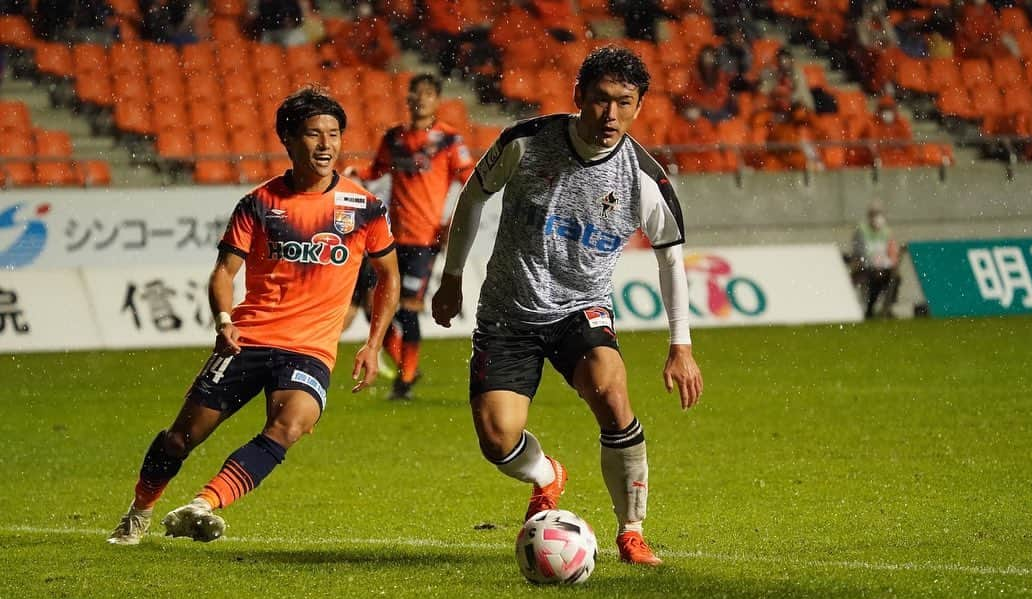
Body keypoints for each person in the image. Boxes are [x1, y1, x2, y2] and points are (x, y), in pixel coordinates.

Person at [431, 46, 703, 566]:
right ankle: (546, 475)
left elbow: (671, 260)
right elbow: (472, 198)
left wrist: (680, 345)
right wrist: (451, 277)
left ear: (639, 106)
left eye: (624, 103)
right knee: (497, 438)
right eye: (600, 101)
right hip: (508, 312)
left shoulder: (643, 180)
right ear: (578, 96)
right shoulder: (526, 144)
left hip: (581, 310)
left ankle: (631, 531)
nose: (610, 115)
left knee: (611, 390)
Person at [107, 86, 400, 545]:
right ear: (288, 138)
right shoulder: (260, 204)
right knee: (182, 439)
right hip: (249, 338)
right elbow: (224, 272)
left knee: (290, 426)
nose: (326, 145)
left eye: (334, 134)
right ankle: (139, 510)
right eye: (313, 134)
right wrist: (224, 320)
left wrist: (374, 341)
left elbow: (389, 277)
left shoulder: (364, 208)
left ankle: (201, 505)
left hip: (309, 350)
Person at [345, 73, 474, 400]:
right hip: (390, 236)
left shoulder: (449, 141)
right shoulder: (394, 139)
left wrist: (452, 222)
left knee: (407, 307)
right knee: (375, 305)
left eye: (428, 94)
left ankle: (404, 379)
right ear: (409, 98)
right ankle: (407, 367)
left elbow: (470, 181)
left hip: (424, 239)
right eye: (416, 93)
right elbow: (375, 172)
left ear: (437, 100)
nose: (421, 99)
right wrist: (353, 175)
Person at [850, 200, 901, 318]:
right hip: (865, 268)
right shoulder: (861, 231)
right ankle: (870, 309)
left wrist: (889, 264)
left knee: (895, 279)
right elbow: (859, 253)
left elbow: (893, 252)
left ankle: (887, 308)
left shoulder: (886, 231)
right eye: (874, 214)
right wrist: (871, 264)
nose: (877, 217)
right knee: (876, 278)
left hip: (884, 267)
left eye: (878, 213)